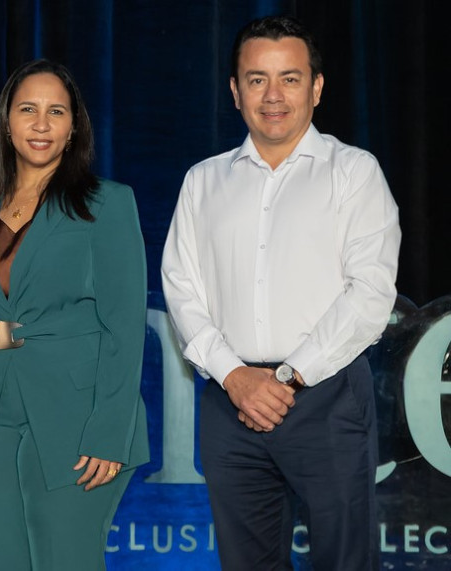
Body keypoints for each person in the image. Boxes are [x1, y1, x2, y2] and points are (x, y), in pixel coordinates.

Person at [161, 15, 400, 571]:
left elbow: (370, 294)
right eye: (257, 79)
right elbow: (181, 288)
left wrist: (288, 377)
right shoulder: (203, 180)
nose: (273, 96)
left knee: (345, 561)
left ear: (316, 88)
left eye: (290, 78)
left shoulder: (355, 172)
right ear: (235, 90)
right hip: (229, 401)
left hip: (327, 398)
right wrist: (236, 377)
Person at [0, 58, 148, 571]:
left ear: (73, 128)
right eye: (28, 110)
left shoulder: (107, 205)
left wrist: (109, 431)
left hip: (76, 418)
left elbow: (125, 329)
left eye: (55, 112)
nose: (41, 124)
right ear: (7, 121)